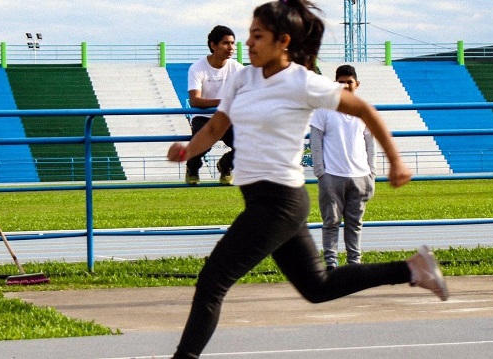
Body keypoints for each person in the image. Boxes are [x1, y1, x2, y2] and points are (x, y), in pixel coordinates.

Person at [166, 1, 448, 357]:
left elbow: (364, 110)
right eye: (249, 35)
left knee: (212, 282)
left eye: (257, 36)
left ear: (282, 41)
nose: (249, 43)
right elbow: (217, 127)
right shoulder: (242, 79)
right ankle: (411, 268)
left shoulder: (303, 82)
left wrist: (395, 160)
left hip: (279, 203)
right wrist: (188, 150)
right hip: (268, 201)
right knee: (318, 286)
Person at [310, 64, 375, 270]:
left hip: (360, 175)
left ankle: (354, 264)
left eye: (349, 82)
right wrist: (321, 172)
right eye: (341, 82)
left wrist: (371, 172)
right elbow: (316, 141)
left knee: (355, 224)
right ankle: (331, 265)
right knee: (331, 222)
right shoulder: (324, 109)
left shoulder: (364, 110)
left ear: (357, 84)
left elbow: (370, 143)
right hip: (332, 175)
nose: (345, 86)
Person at [185, 25, 244, 185]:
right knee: (199, 146)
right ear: (213, 45)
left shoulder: (237, 68)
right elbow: (195, 101)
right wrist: (225, 101)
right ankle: (193, 168)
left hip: (227, 117)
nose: (231, 47)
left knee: (247, 144)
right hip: (203, 117)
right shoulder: (197, 68)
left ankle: (225, 166)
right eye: (226, 43)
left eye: (232, 43)